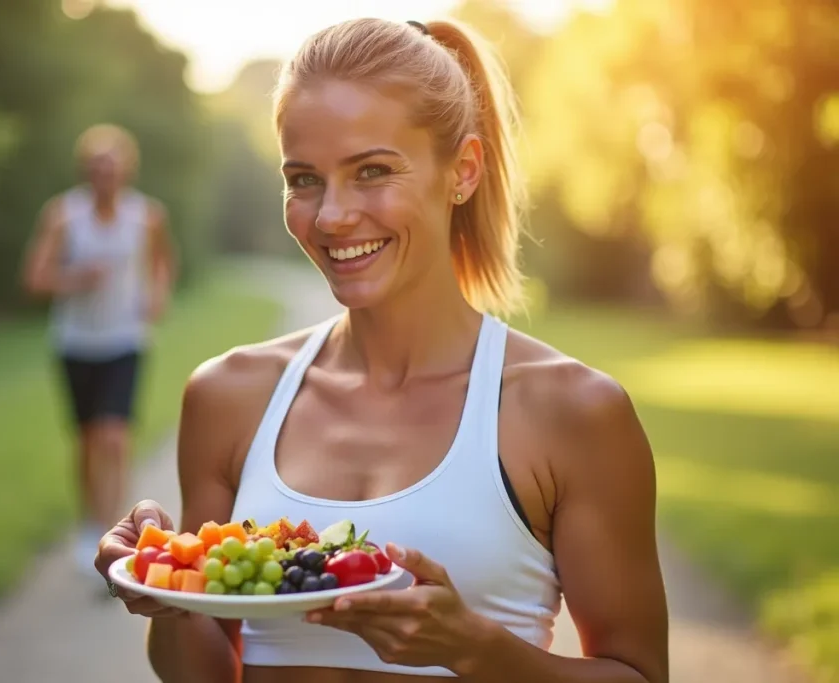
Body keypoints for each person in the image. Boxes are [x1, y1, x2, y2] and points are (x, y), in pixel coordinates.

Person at [95, 16, 668, 683]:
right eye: (304, 179)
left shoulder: (572, 412)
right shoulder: (229, 396)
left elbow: (640, 674)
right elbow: (204, 674)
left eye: (371, 171)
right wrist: (166, 587)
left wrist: (475, 649)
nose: (331, 216)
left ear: (463, 171)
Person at [23, 123, 176, 575]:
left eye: (112, 168)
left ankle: (115, 532)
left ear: (127, 170)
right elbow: (34, 278)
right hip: (76, 342)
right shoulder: (63, 215)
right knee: (89, 440)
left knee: (115, 436)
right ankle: (89, 524)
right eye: (96, 168)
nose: (104, 176)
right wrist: (75, 278)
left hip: (125, 339)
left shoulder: (147, 215)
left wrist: (157, 295)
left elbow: (163, 261)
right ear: (86, 172)